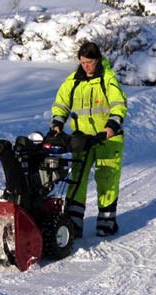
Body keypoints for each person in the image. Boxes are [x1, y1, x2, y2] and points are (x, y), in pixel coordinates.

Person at [50, 42, 127, 238]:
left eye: (90, 62)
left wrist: (111, 126)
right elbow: (61, 104)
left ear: (98, 60)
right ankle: (73, 225)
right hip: (81, 140)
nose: (86, 66)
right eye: (83, 62)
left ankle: (106, 223)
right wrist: (57, 123)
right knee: (77, 179)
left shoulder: (107, 79)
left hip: (107, 139)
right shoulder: (73, 81)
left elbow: (119, 105)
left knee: (106, 179)